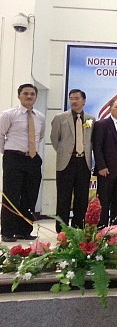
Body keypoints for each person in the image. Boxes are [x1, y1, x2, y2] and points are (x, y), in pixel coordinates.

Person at [0, 84, 45, 242]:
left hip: (32, 159)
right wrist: (7, 152)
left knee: (30, 196)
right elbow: (0, 134)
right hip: (14, 158)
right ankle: (7, 231)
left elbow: (41, 135)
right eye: (25, 93)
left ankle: (24, 230)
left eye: (32, 94)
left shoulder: (39, 116)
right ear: (19, 96)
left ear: (35, 97)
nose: (29, 96)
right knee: (11, 195)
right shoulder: (9, 114)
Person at [50, 89, 95, 232]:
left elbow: (91, 140)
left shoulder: (90, 119)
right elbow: (54, 139)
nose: (74, 101)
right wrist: (64, 152)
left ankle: (78, 226)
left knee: (82, 196)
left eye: (77, 98)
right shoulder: (60, 117)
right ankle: (62, 228)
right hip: (66, 162)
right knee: (64, 196)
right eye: (71, 98)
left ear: (84, 100)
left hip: (84, 162)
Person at [92, 99, 117, 233]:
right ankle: (102, 226)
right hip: (106, 170)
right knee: (104, 199)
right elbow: (97, 147)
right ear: (110, 109)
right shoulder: (102, 125)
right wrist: (101, 166)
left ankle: (116, 226)